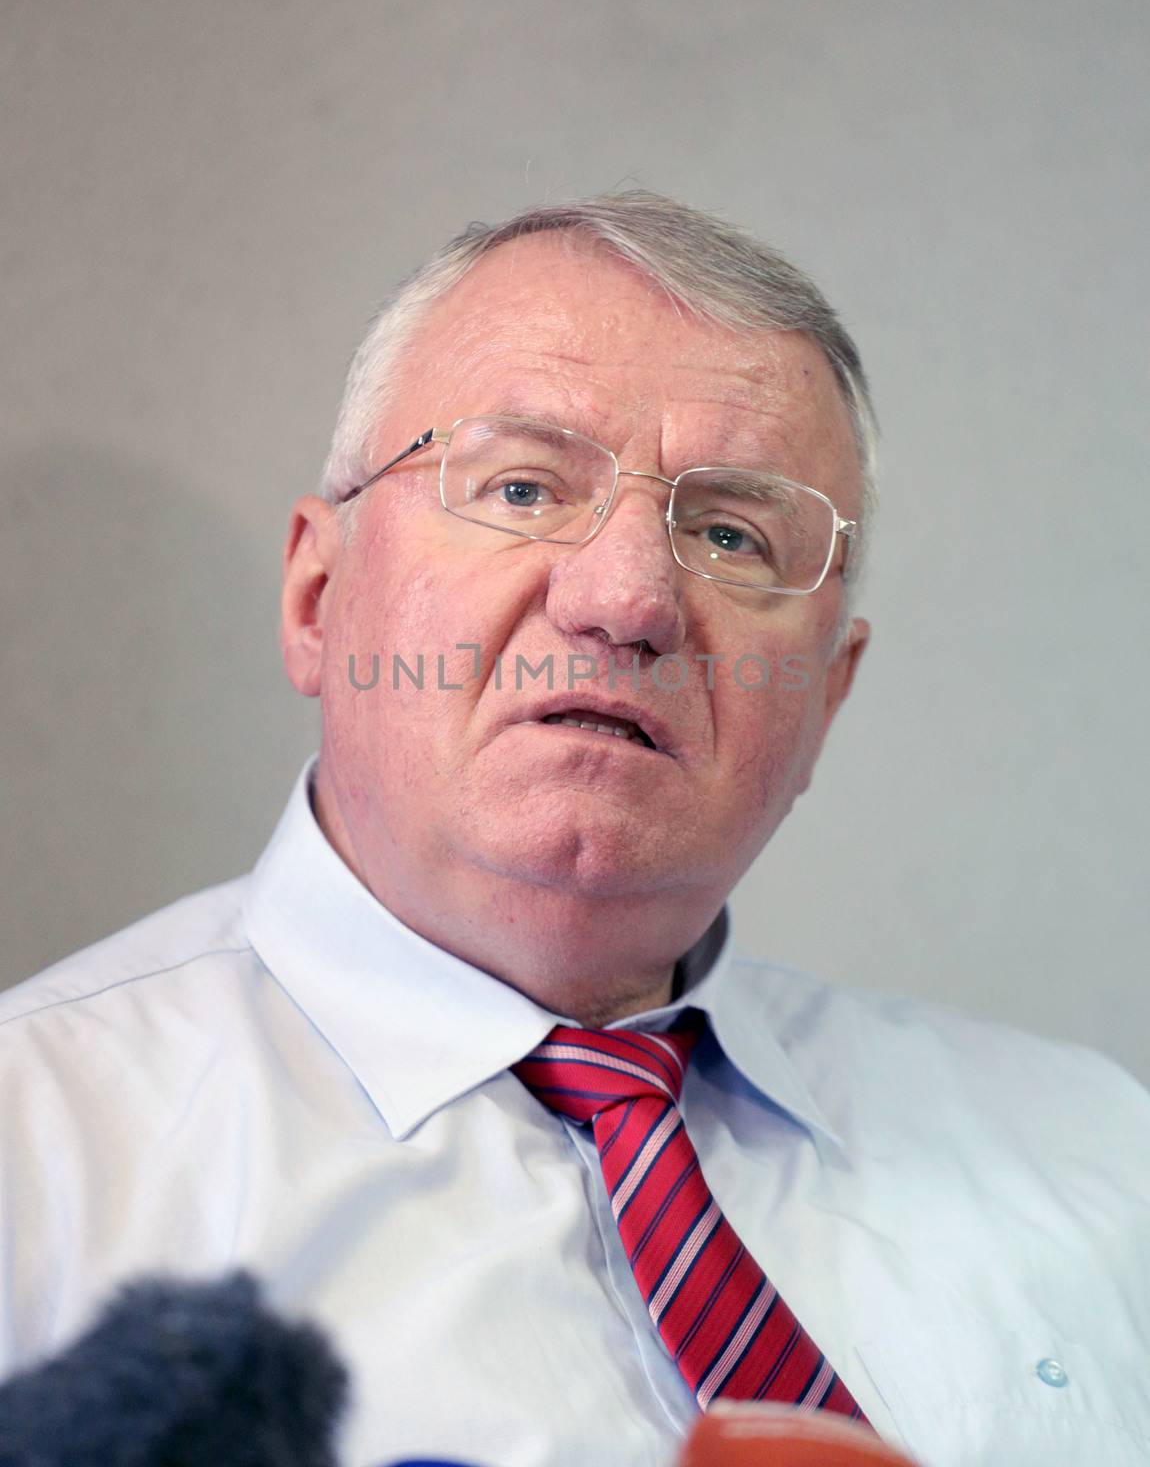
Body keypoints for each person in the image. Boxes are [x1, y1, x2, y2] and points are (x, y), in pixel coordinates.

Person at [1, 192, 1147, 1467]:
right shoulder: (33, 1159)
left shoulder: (1097, 1158)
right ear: (318, 597)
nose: (628, 598)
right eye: (522, 484)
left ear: (825, 698)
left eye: (729, 532)